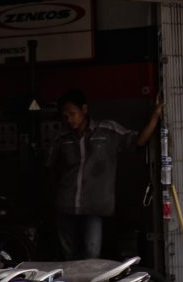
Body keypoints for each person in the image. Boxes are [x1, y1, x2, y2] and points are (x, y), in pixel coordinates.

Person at [48, 88, 163, 259]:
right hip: (66, 207)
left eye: (72, 114)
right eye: (65, 116)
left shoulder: (107, 131)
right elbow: (50, 168)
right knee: (69, 257)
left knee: (91, 255)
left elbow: (138, 140)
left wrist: (155, 116)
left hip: (94, 208)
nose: (69, 119)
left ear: (84, 109)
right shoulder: (61, 138)